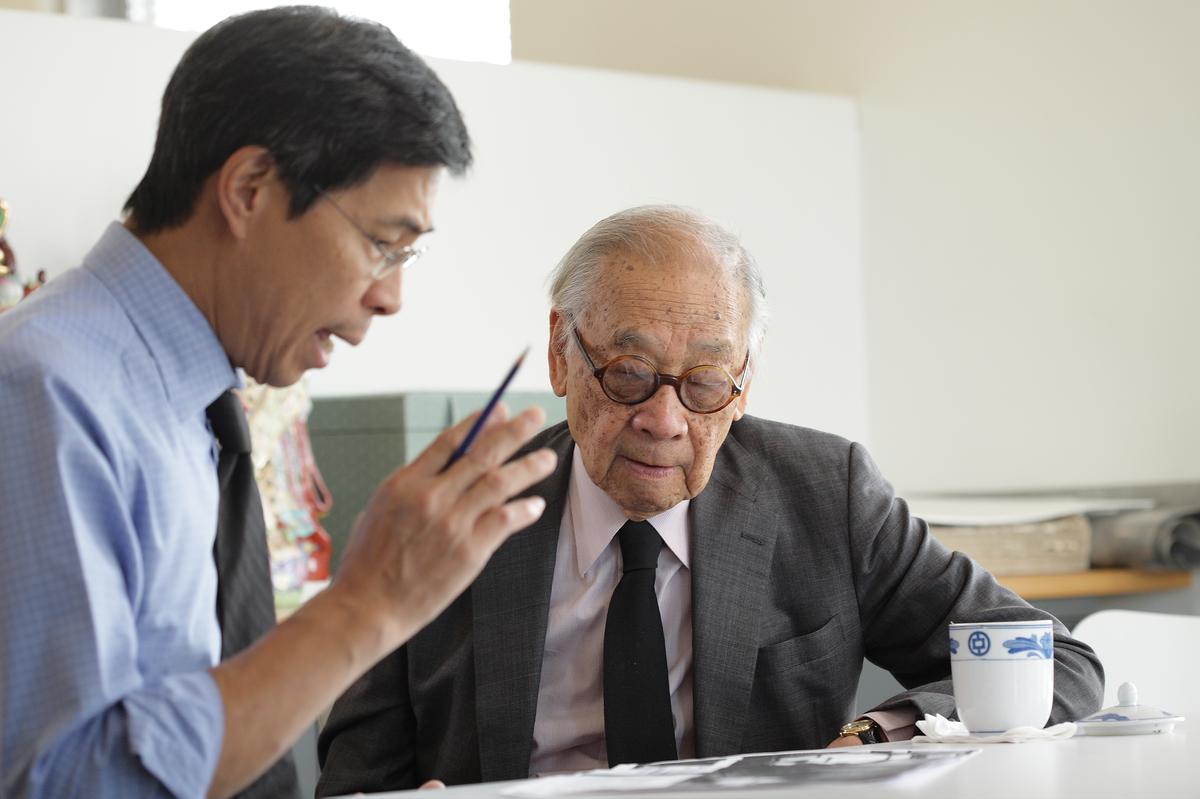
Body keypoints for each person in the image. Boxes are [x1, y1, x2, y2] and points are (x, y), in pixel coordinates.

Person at [316, 205, 1105, 793]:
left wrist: (879, 731)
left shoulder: (826, 494)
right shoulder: (448, 511)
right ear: (562, 353)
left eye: (703, 384)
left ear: (742, 387)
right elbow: (354, 771)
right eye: (627, 374)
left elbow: (1057, 658)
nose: (664, 422)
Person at [0, 7, 556, 798]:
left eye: (408, 253)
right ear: (250, 188)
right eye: (382, 243)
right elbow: (61, 786)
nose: (392, 295)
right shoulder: (43, 394)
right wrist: (368, 603)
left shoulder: (190, 404)